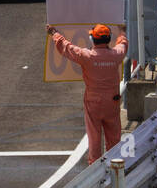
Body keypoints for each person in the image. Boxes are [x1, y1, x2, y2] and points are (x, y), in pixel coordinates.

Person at [47, 23, 129, 163]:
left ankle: (95, 169)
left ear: (92, 39)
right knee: (114, 137)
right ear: (109, 39)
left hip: (93, 102)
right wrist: (122, 31)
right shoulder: (116, 55)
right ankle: (115, 166)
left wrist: (54, 33)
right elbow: (123, 44)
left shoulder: (86, 56)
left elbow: (67, 48)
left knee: (94, 137)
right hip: (112, 101)